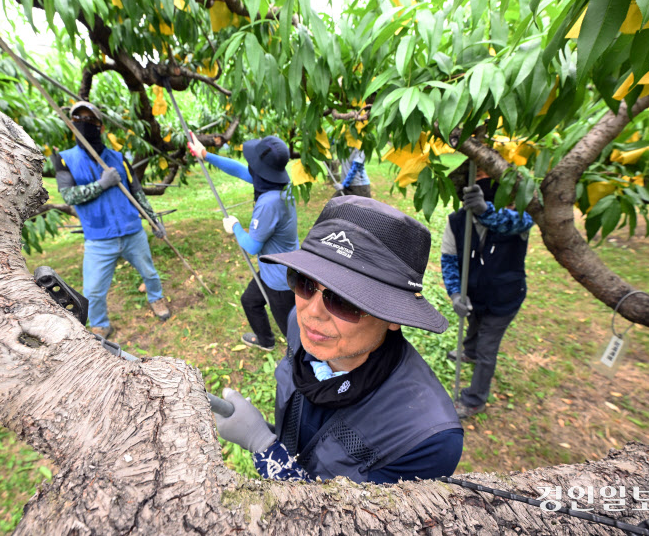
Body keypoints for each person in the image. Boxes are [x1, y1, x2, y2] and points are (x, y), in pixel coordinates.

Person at [213, 196, 463, 483]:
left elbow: (339, 521)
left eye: (345, 300)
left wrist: (262, 444)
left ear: (396, 316)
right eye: (304, 282)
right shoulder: (300, 325)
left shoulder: (424, 439)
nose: (312, 312)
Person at [52, 101, 170, 340]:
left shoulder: (118, 158)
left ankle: (156, 299)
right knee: (93, 290)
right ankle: (99, 324)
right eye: (78, 121)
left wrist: (153, 220)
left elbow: (137, 193)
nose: (84, 125)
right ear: (72, 127)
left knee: (150, 273)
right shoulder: (64, 160)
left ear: (100, 127)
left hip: (132, 232)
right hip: (98, 238)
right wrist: (101, 184)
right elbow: (69, 196)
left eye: (90, 121)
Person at [187, 132, 299, 352]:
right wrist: (205, 154)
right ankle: (265, 340)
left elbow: (251, 246)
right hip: (273, 268)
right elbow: (239, 169)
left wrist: (235, 227)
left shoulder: (269, 203)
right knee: (250, 300)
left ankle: (304, 363)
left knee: (292, 331)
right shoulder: (277, 183)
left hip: (279, 279)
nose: (250, 167)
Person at [440, 171, 534, 418]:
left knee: (487, 347)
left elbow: (518, 221)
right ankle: (468, 352)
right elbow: (449, 260)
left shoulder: (517, 219)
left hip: (505, 297)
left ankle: (475, 399)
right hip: (475, 293)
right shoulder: (456, 221)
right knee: (473, 322)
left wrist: (486, 211)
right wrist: (456, 294)